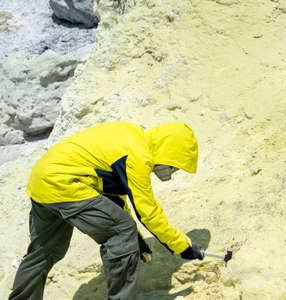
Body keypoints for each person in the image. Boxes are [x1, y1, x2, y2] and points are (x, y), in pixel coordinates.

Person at [9, 121, 205, 300]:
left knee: (44, 251)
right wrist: (183, 246)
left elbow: (113, 200)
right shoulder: (138, 155)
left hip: (41, 179)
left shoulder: (130, 135)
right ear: (168, 150)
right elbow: (148, 212)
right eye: (173, 165)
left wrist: (136, 239)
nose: (170, 170)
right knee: (121, 231)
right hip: (65, 183)